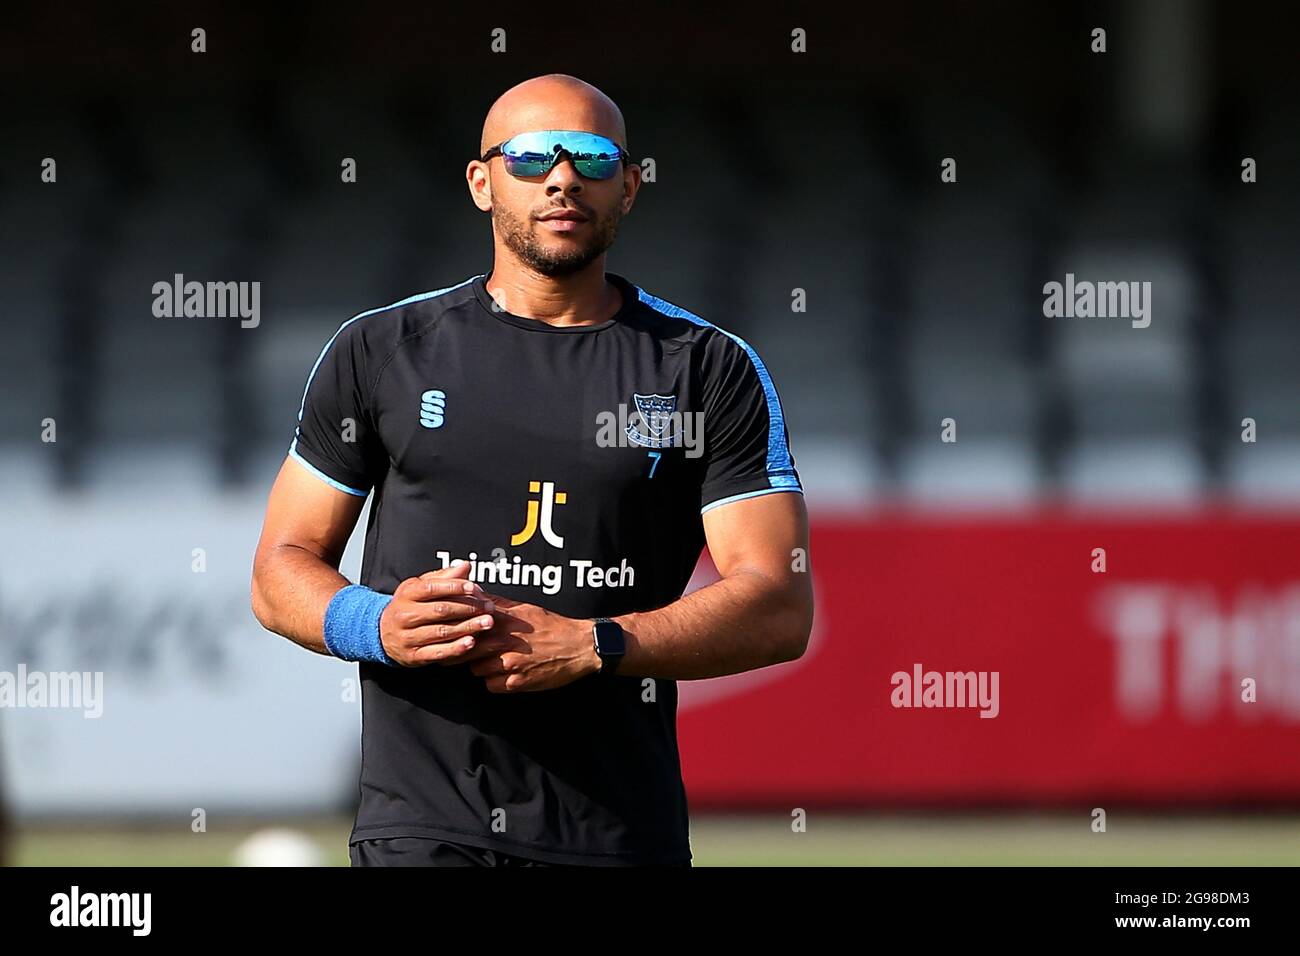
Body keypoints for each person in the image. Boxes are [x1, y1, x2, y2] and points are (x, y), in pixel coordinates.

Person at [251, 73, 813, 866]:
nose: (561, 178)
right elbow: (280, 568)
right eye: (528, 157)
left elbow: (779, 606)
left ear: (630, 185)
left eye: (590, 155)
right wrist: (372, 624)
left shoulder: (707, 367)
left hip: (620, 835)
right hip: (421, 831)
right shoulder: (379, 352)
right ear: (483, 182)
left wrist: (594, 644)